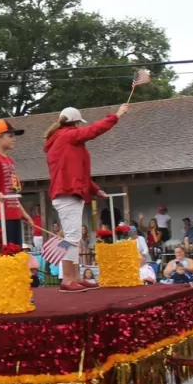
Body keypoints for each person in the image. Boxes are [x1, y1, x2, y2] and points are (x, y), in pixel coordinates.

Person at [43, 103, 130, 292]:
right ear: (75, 123)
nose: (81, 127)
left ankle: (73, 277)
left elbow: (77, 172)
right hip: (67, 194)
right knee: (71, 237)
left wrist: (95, 190)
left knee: (73, 237)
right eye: (79, 124)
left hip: (67, 192)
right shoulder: (69, 136)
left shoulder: (61, 139)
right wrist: (116, 116)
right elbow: (94, 130)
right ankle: (67, 278)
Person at [0, 119, 35, 245]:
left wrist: (23, 213)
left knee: (16, 252)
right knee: (6, 254)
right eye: (10, 136)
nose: (14, 139)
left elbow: (12, 192)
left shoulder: (10, 161)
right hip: (1, 215)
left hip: (14, 214)